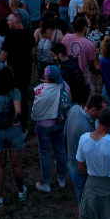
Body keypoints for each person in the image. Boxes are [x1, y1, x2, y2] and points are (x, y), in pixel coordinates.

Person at [0, 66, 28, 205]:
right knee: (16, 164)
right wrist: (15, 121)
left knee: (0, 165)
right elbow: (18, 111)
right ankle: (21, 191)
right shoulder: (15, 92)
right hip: (12, 130)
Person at [31, 64, 70, 192]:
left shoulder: (41, 89)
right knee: (60, 150)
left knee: (45, 154)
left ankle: (46, 183)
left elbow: (35, 111)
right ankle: (62, 179)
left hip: (44, 126)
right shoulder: (64, 85)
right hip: (60, 123)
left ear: (47, 78)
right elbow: (69, 100)